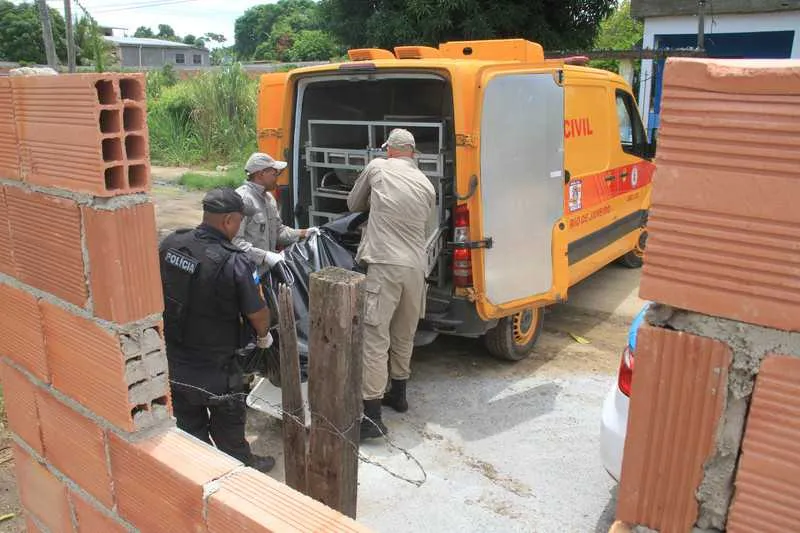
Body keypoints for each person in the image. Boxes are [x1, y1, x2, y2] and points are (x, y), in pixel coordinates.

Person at [159, 187, 276, 472]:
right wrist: (264, 336)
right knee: (229, 427)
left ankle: (200, 470)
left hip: (175, 360)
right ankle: (238, 468)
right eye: (239, 221)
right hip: (218, 367)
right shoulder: (234, 261)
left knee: (189, 425)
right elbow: (257, 311)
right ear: (228, 221)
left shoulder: (171, 244)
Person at [347, 128, 436, 440]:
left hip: (384, 264)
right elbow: (427, 225)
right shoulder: (427, 183)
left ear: (389, 150)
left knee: (375, 338)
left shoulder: (377, 168)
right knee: (404, 333)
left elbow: (353, 204)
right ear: (412, 153)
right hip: (416, 268)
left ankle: (372, 419)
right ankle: (399, 394)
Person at [234, 152, 317, 273]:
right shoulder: (242, 199)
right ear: (261, 174)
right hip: (246, 273)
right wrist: (264, 256)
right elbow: (235, 243)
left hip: (266, 271)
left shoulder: (268, 199)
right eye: (274, 174)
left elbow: (278, 231)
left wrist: (304, 233)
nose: (277, 178)